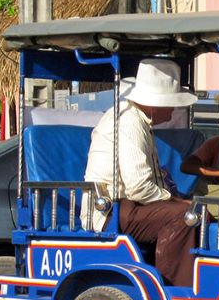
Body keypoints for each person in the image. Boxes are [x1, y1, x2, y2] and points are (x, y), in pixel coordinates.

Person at [84, 59, 199, 287]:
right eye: (172, 103)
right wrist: (176, 201)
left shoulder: (137, 120)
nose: (175, 109)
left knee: (191, 209)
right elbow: (139, 187)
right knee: (185, 216)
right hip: (113, 211)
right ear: (157, 103)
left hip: (130, 206)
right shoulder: (129, 122)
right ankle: (170, 288)